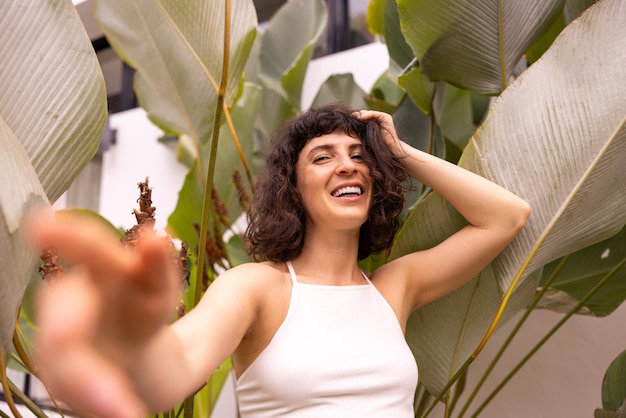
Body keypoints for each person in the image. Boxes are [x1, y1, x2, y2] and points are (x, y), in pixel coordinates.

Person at [31, 104, 531, 418]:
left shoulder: (394, 288)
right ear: (293, 189)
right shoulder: (256, 288)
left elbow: (507, 217)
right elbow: (179, 362)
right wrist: (122, 347)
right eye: (322, 156)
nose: (348, 164)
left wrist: (398, 151)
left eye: (359, 155)